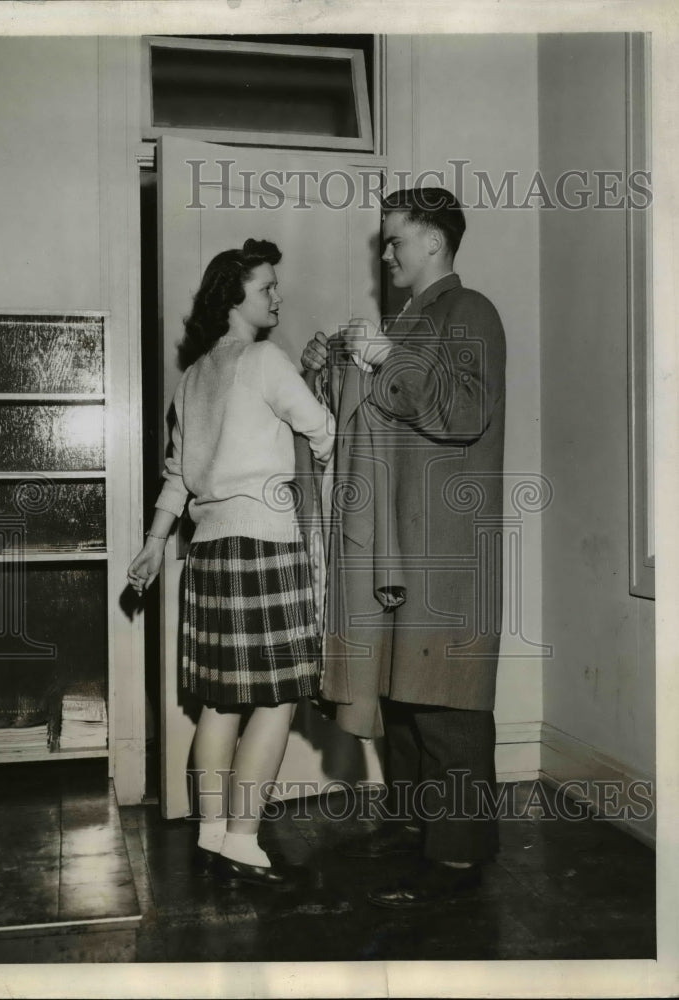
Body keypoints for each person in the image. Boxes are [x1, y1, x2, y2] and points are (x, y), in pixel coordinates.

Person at [300, 187, 506, 907]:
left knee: (448, 704)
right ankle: (422, 836)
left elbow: (467, 409)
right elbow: (368, 417)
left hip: (445, 544)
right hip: (400, 545)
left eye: (395, 240)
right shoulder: (410, 319)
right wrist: (325, 367)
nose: (385, 254)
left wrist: (387, 355)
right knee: (406, 699)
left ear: (434, 243)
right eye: (384, 243)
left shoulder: (469, 309)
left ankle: (458, 858)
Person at [128, 238, 333, 890]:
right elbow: (324, 429)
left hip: (208, 553)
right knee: (276, 701)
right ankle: (244, 839)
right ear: (234, 297)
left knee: (220, 704)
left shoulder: (192, 380)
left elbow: (175, 480)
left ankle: (212, 833)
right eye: (267, 287)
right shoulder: (265, 360)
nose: (278, 297)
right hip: (265, 544)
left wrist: (156, 542)